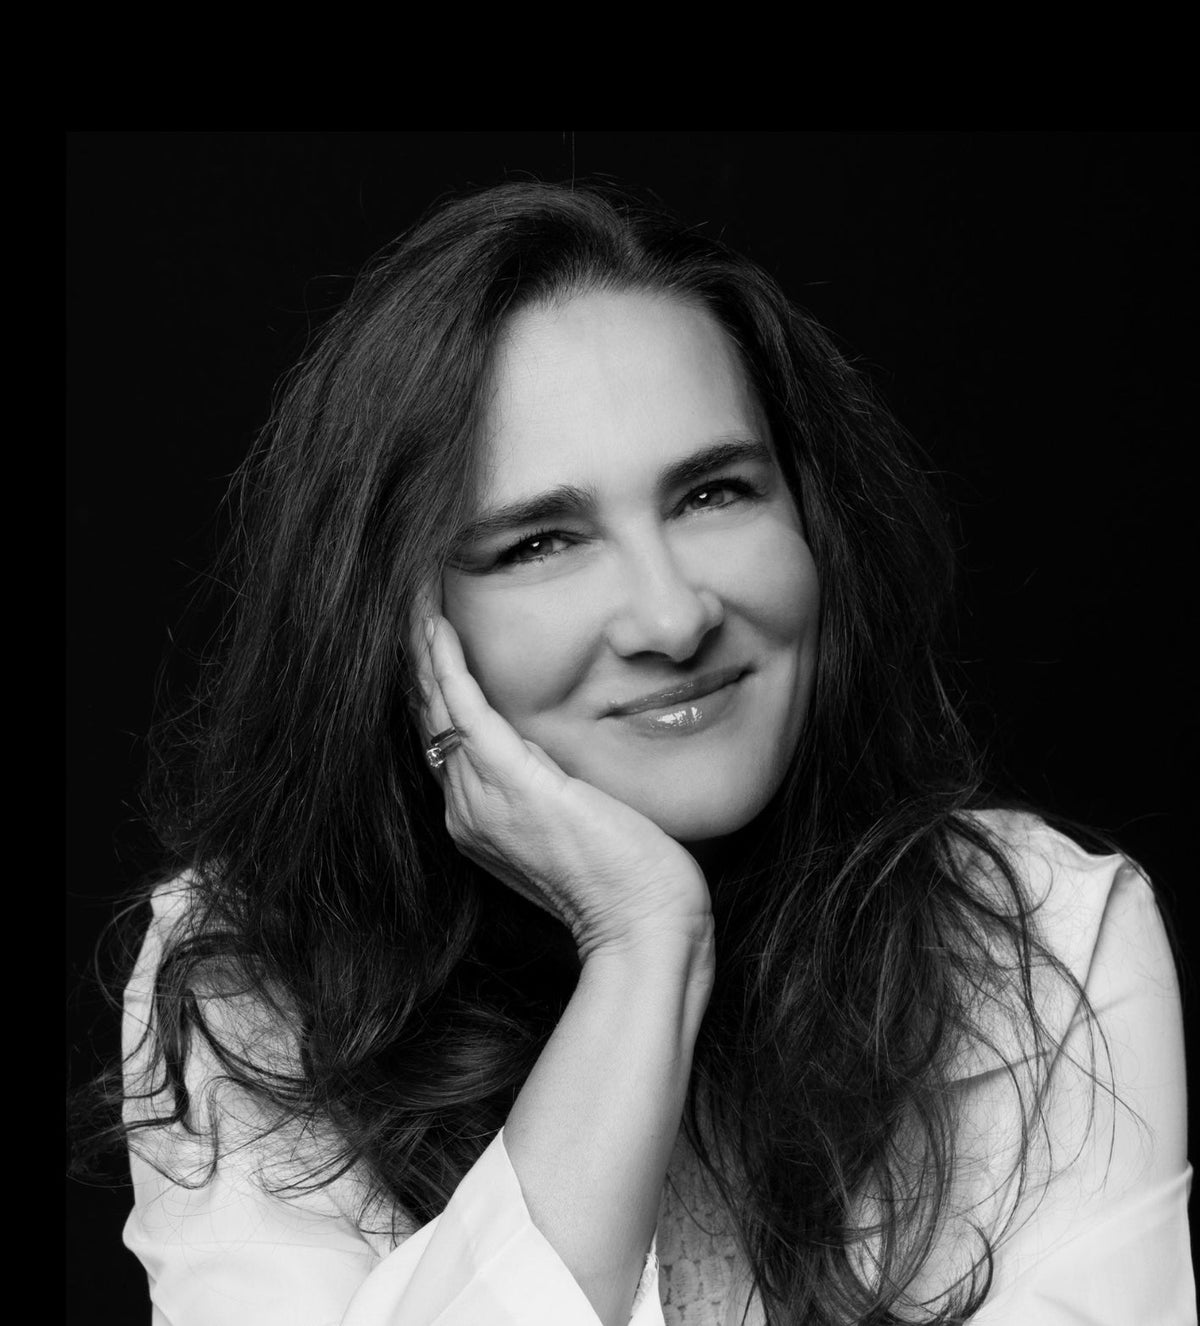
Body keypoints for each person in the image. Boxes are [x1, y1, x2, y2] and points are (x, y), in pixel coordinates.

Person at [106, 180, 1192, 1325]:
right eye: (540, 543)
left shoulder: (1047, 941)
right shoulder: (248, 980)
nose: (674, 620)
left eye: (715, 492)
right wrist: (642, 950)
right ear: (397, 623)